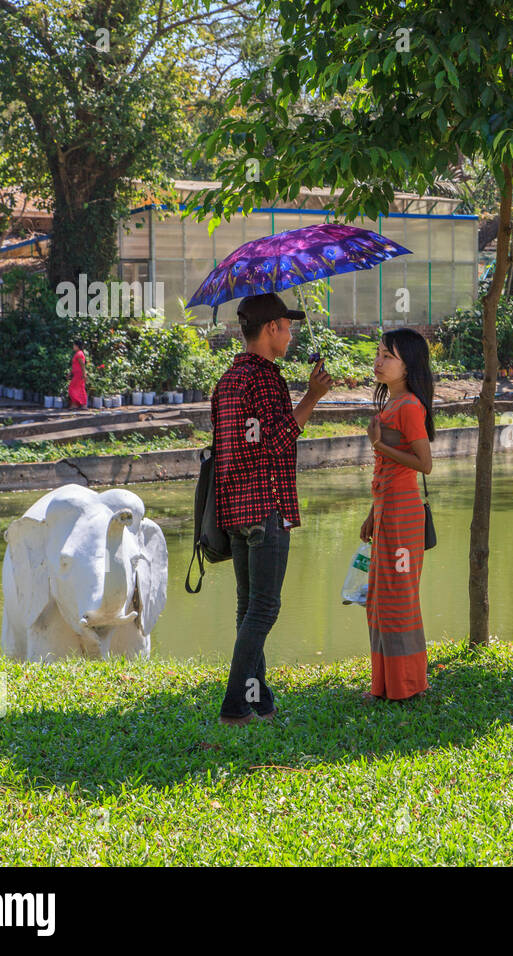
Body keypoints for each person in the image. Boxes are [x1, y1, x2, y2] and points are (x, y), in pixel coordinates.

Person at [211, 292, 333, 726]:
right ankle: (233, 705)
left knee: (248, 608)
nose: (290, 333)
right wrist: (312, 397)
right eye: (286, 325)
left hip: (235, 510)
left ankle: (259, 698)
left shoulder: (228, 379)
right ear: (269, 330)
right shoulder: (265, 379)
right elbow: (277, 440)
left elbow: (239, 444)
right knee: (264, 609)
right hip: (265, 507)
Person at [359, 328, 435, 703]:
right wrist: (373, 514)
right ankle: (385, 685)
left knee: (398, 597)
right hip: (387, 513)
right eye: (378, 353)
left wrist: (377, 445)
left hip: (404, 517)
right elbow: (387, 473)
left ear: (408, 367)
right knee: (378, 598)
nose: (378, 361)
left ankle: (408, 685)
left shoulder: (409, 407)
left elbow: (424, 464)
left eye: (388, 356)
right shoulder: (390, 405)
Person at [67, 340, 88, 409]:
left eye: (74, 345)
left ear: (77, 346)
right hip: (76, 374)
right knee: (78, 388)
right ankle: (76, 404)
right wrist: (70, 373)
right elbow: (75, 365)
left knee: (73, 388)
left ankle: (80, 404)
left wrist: (84, 374)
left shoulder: (79, 354)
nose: (73, 347)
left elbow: (82, 365)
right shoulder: (77, 353)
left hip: (79, 374)